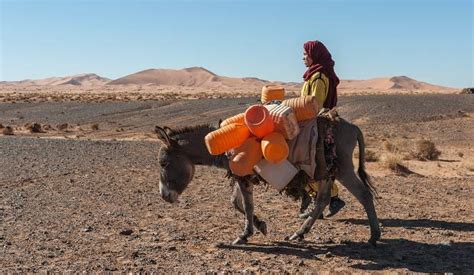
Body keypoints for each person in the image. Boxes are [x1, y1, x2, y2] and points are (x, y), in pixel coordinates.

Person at [299, 40, 345, 219]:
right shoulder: (312, 75)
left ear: (314, 55)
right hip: (309, 122)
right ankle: (320, 200)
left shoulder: (319, 77)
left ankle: (331, 197)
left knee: (305, 163)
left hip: (315, 124)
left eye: (305, 54)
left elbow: (314, 104)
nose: (303, 58)